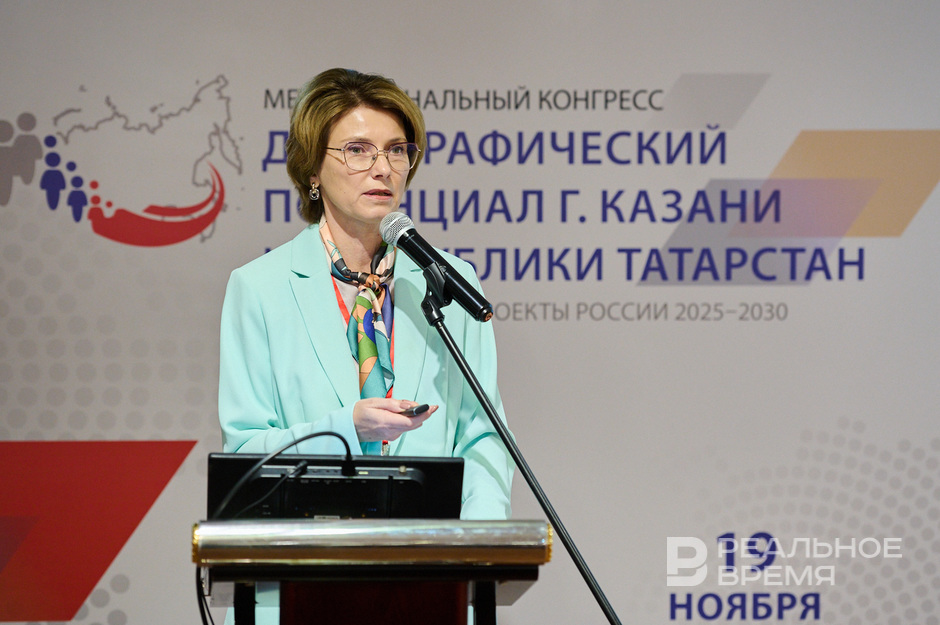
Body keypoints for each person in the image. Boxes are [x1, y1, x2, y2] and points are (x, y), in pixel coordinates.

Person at [217, 68, 513, 621]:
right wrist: (345, 429)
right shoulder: (260, 288)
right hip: (297, 589)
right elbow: (245, 455)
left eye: (397, 150)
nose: (383, 168)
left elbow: (483, 436)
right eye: (358, 150)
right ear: (313, 169)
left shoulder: (449, 282)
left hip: (432, 590)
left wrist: (473, 554)